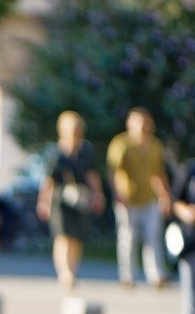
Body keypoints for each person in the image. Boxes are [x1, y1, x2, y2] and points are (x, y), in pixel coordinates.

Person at [35, 111, 105, 290]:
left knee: (77, 237)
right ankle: (65, 272)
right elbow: (49, 180)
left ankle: (72, 270)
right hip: (59, 199)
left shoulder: (86, 150)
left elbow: (92, 174)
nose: (75, 133)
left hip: (80, 199)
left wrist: (98, 194)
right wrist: (43, 201)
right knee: (63, 236)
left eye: (77, 129)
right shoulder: (55, 152)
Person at [106, 108, 171, 288]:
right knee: (127, 237)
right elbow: (114, 170)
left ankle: (156, 274)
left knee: (153, 236)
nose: (142, 127)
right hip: (127, 198)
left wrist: (164, 195)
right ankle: (127, 275)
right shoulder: (121, 143)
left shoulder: (155, 145)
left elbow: (159, 173)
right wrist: (117, 193)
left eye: (145, 124)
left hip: (149, 197)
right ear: (129, 124)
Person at [169, 155, 195, 314]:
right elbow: (174, 202)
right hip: (192, 242)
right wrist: (187, 212)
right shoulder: (191, 169)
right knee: (191, 296)